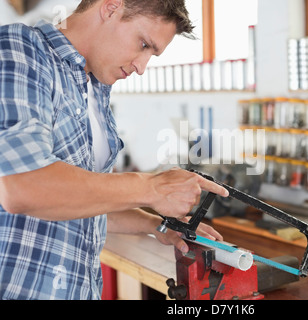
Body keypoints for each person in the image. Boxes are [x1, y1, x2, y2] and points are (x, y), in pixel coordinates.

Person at [0, 0, 229, 300]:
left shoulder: (95, 87)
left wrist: (157, 225)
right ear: (111, 8)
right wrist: (149, 186)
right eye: (143, 44)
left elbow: (84, 205)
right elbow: (21, 187)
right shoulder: (20, 49)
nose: (142, 67)